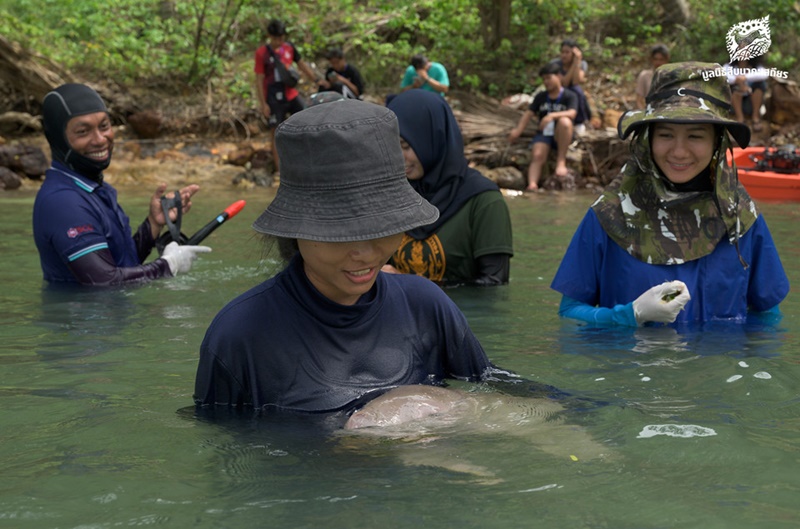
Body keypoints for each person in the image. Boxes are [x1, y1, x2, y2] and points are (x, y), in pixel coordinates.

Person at [193, 100, 502, 413]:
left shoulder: (427, 307)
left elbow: (502, 398)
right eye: (342, 233)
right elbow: (225, 450)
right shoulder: (239, 337)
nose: (366, 253)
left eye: (383, 227)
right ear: (294, 229)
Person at [550, 61, 789, 327]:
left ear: (717, 142)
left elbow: (767, 318)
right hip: (628, 366)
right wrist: (627, 316)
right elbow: (569, 314)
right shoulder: (609, 214)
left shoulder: (742, 218)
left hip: (721, 367)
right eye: (665, 134)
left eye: (695, 136)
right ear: (647, 138)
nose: (678, 151)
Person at [33, 83, 211, 287]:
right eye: (83, 131)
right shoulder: (63, 201)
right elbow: (103, 280)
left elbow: (121, 262)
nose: (100, 139)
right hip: (83, 318)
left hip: (116, 316)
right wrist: (169, 265)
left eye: (104, 126)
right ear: (58, 139)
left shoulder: (94, 189)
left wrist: (153, 224)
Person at [384, 89, 513, 286]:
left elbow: (493, 289)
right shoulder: (393, 196)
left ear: (432, 140)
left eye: (405, 146)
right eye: (391, 146)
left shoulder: (484, 202)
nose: (398, 157)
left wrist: (408, 283)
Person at [254, 19, 318, 174]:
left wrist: (317, 81)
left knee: (308, 119)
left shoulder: (289, 48)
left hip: (291, 94)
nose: (279, 41)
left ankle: (311, 161)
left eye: (281, 38)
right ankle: (279, 171)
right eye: (276, 38)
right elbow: (259, 79)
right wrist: (263, 104)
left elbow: (302, 65)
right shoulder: (262, 53)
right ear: (269, 36)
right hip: (273, 97)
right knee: (276, 132)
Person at [508, 62, 578, 192]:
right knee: (537, 155)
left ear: (558, 76)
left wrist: (551, 116)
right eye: (544, 79)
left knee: (565, 122)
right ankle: (532, 185)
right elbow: (528, 114)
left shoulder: (569, 95)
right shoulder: (540, 97)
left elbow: (572, 113)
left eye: (549, 78)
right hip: (544, 134)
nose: (546, 82)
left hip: (561, 134)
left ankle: (560, 162)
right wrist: (517, 131)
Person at [550, 39, 591, 131]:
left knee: (577, 91)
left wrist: (576, 62)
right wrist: (574, 65)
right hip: (557, 89)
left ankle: (580, 121)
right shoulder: (555, 64)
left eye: (567, 52)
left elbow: (576, 81)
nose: (564, 55)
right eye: (562, 52)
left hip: (572, 90)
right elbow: (564, 83)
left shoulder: (582, 64)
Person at [725, 57, 768, 132]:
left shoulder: (756, 66)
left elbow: (764, 74)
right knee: (734, 87)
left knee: (760, 85)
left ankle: (755, 117)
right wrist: (738, 82)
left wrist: (745, 78)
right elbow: (723, 76)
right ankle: (740, 119)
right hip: (734, 104)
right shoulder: (729, 66)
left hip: (751, 103)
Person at [635, 44, 670, 109]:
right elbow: (639, 100)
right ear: (651, 59)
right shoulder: (644, 76)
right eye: (655, 59)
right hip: (649, 112)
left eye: (661, 60)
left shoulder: (671, 76)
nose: (658, 62)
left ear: (666, 60)